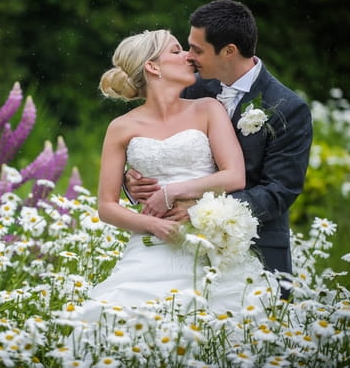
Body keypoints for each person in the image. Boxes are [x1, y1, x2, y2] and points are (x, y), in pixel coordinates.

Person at [81, 29, 275, 322]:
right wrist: (152, 225)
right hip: (149, 247)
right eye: (176, 51)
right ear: (152, 67)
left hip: (207, 241)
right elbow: (107, 207)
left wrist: (171, 192)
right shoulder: (120, 127)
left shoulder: (208, 108)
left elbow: (235, 176)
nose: (188, 56)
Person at [125, 0, 313, 280]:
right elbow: (154, 139)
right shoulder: (191, 87)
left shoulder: (287, 108)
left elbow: (279, 192)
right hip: (175, 244)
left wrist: (202, 213)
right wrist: (133, 179)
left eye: (197, 49)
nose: (189, 56)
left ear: (229, 51)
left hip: (252, 247)